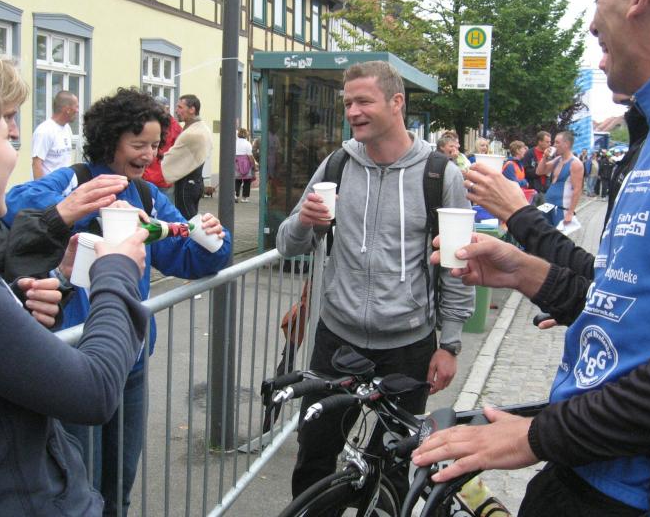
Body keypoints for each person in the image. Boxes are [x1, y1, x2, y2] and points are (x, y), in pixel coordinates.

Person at [413, 0, 650, 515]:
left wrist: (537, 436)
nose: (590, 24)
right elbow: (627, 304)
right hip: (585, 473)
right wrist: (523, 270)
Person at [3, 88, 232, 516]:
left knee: (120, 484)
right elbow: (11, 208)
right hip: (73, 361)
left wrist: (212, 238)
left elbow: (186, 255)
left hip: (130, 362)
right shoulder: (73, 178)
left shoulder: (146, 195)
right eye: (138, 144)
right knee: (80, 486)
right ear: (110, 141)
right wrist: (74, 207)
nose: (149, 155)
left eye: (155, 145)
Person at [0, 69, 151, 515]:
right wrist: (115, 274)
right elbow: (93, 390)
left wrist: (25, 295)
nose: (15, 145)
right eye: (6, 135)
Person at [276, 60, 474, 498]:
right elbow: (287, 244)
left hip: (408, 344)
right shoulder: (336, 165)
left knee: (393, 465)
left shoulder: (439, 174)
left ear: (396, 102)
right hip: (338, 338)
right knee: (314, 457)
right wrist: (305, 221)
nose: (353, 111)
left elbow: (458, 264)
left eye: (363, 101)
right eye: (348, 103)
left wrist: (450, 344)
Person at [162, 93, 211, 220]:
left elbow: (173, 157)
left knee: (187, 222)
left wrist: (159, 157)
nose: (176, 111)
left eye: (180, 107)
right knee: (190, 219)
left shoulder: (192, 132)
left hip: (186, 184)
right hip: (195, 182)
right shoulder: (200, 128)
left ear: (192, 109)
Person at [143, 95, 184, 204]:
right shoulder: (174, 127)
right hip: (151, 177)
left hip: (163, 179)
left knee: (163, 209)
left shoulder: (175, 128)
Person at [537, 130, 583, 225]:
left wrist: (570, 212)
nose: (554, 145)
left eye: (557, 142)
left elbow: (577, 189)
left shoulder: (575, 163)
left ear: (566, 144)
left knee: (558, 234)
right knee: (546, 233)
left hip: (562, 208)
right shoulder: (558, 159)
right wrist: (545, 157)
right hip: (549, 205)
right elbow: (539, 172)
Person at [32, 90, 78, 179]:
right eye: (76, 107)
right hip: (49, 186)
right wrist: (42, 187)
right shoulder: (44, 131)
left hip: (65, 186)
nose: (77, 111)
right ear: (68, 110)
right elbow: (36, 165)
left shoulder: (67, 128)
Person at [522, 130, 551, 197]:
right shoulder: (529, 153)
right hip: (534, 190)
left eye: (550, 141)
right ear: (540, 142)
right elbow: (526, 172)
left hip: (547, 189)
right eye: (547, 142)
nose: (550, 144)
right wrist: (541, 171)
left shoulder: (551, 154)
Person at [234, 127, 257, 203]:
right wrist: (254, 165)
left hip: (236, 163)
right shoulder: (247, 143)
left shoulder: (235, 142)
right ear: (246, 135)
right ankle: (244, 197)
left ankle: (236, 195)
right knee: (247, 181)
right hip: (246, 164)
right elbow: (250, 156)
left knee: (237, 180)